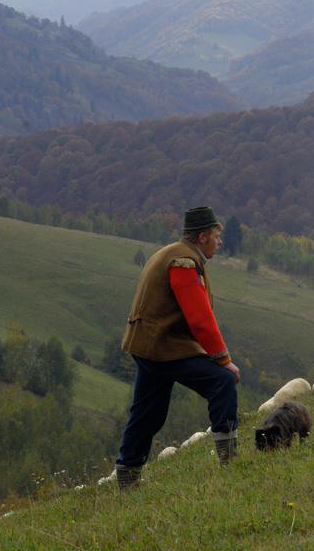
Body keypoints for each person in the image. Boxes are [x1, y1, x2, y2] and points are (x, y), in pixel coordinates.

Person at [114, 206, 240, 490]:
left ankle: (127, 476)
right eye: (216, 236)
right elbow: (200, 319)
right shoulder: (183, 262)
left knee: (148, 412)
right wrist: (223, 360)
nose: (219, 242)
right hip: (163, 346)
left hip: (148, 344)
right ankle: (230, 460)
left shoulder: (171, 253)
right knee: (223, 382)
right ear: (203, 236)